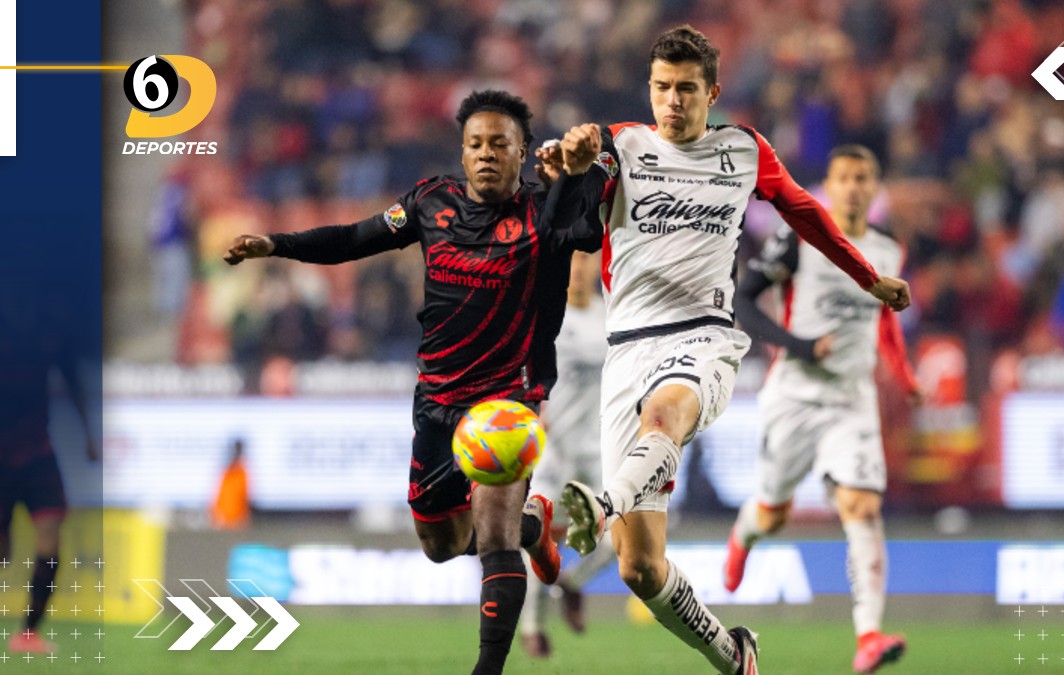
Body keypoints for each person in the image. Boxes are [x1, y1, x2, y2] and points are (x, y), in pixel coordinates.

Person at [557, 27, 911, 675]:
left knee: (664, 416)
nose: (672, 101)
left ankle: (604, 501)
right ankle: (734, 652)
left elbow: (807, 214)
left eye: (686, 89)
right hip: (626, 346)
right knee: (638, 566)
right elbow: (571, 223)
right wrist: (575, 166)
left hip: (705, 339)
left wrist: (868, 276)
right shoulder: (622, 145)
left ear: (712, 92)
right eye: (662, 88)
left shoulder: (744, 151)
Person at [224, 90, 607, 675]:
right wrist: (278, 245)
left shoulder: (542, 209)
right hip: (435, 399)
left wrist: (575, 175)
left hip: (508, 397)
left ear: (522, 151)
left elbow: (583, 235)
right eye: (475, 144)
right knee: (442, 546)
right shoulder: (432, 201)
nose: (485, 154)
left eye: (499, 144)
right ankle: (536, 528)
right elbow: (356, 239)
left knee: (494, 536)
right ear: (463, 149)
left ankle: (489, 658)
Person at [723, 145, 920, 674]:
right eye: (845, 178)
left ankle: (869, 636)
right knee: (773, 513)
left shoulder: (888, 249)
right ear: (828, 187)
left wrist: (904, 375)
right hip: (795, 395)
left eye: (864, 177)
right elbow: (743, 301)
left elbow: (885, 319)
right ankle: (743, 536)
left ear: (875, 188)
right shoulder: (800, 238)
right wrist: (803, 345)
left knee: (862, 506)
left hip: (852, 400)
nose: (854, 187)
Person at [518, 250, 616, 658]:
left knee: (618, 542)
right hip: (551, 451)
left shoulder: (613, 314)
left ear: (597, 265)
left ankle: (572, 584)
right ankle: (533, 628)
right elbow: (521, 367)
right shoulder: (546, 315)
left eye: (585, 259)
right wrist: (530, 408)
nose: (578, 268)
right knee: (538, 539)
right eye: (572, 259)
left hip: (598, 451)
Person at [0, 292, 99, 654]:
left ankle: (28, 633)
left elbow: (73, 383)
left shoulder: (51, 332)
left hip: (38, 453)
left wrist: (89, 434)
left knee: (51, 535)